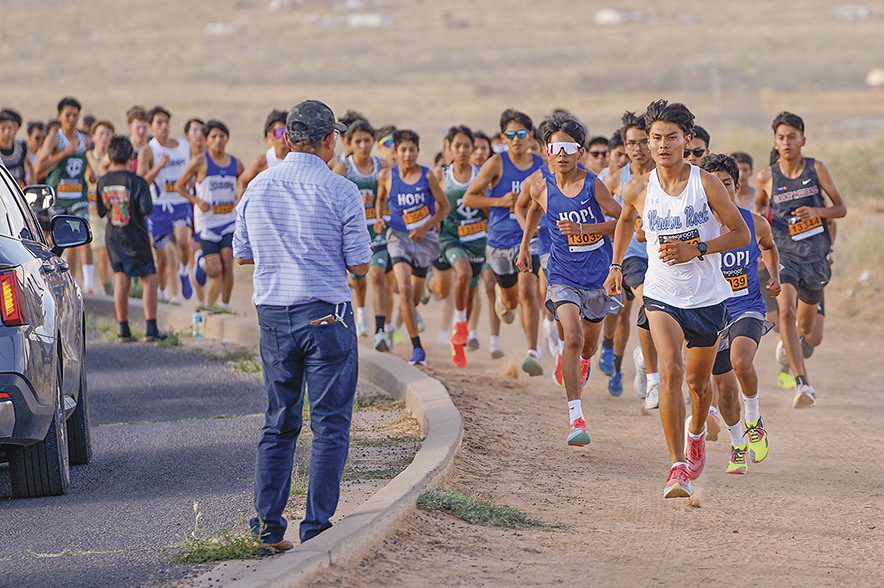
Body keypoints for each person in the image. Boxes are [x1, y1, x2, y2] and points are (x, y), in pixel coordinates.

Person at [234, 100, 368, 549]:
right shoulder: (341, 190)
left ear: (288, 138)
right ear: (329, 139)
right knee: (329, 423)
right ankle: (315, 527)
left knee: (279, 420)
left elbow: (242, 252)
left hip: (273, 314)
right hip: (325, 315)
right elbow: (362, 265)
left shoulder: (257, 186)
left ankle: (268, 525)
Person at [603, 99, 751, 499]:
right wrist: (616, 266)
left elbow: (741, 234)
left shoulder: (706, 184)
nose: (663, 145)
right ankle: (677, 468)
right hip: (661, 293)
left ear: (687, 140)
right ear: (647, 143)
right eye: (656, 138)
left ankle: (697, 433)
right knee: (669, 370)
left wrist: (697, 248)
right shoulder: (636, 187)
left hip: (706, 298)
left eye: (672, 137)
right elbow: (624, 223)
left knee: (698, 385)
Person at [519, 112, 621, 445]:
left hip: (597, 276)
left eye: (569, 148)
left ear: (580, 152)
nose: (561, 155)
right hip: (562, 273)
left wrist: (586, 229)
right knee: (573, 337)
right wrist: (525, 246)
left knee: (588, 344)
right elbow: (534, 207)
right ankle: (576, 418)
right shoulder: (540, 186)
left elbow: (624, 221)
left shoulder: (593, 185)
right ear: (547, 151)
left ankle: (584, 362)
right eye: (555, 148)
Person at [754, 111, 846, 409]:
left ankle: (796, 345)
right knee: (786, 313)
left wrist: (817, 213)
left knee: (810, 332)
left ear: (802, 140)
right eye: (781, 138)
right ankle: (802, 383)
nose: (786, 142)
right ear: (775, 142)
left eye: (792, 137)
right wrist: (759, 243)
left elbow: (840, 208)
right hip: (784, 255)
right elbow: (757, 211)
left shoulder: (816, 168)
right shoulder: (767, 176)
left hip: (816, 256)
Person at [701, 153, 780, 474]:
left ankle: (754, 419)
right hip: (710, 312)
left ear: (737, 185)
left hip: (747, 306)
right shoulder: (696, 228)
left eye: (727, 183)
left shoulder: (755, 222)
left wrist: (774, 275)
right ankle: (737, 445)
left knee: (741, 362)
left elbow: (769, 245)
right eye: (714, 184)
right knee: (726, 391)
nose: (721, 189)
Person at [463, 109, 544, 376]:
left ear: (531, 136)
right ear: (503, 138)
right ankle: (502, 297)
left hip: (529, 238)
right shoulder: (496, 163)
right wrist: (499, 201)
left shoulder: (541, 164)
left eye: (521, 134)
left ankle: (533, 351)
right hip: (499, 241)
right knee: (511, 301)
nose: (516, 139)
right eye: (511, 135)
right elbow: (469, 198)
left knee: (528, 291)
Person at [373, 130, 450, 366]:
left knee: (413, 298)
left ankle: (424, 287)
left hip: (423, 241)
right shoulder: (386, 175)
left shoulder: (427, 177)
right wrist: (379, 218)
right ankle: (417, 349)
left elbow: (443, 208)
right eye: (403, 150)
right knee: (404, 290)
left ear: (417, 151)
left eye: (412, 150)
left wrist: (425, 227)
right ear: (395, 152)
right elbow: (380, 198)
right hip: (397, 236)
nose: (408, 154)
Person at [601, 111, 659, 400]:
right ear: (624, 146)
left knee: (654, 312)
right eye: (630, 143)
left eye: (641, 142)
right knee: (645, 304)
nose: (637, 149)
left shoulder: (664, 176)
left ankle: (643, 359)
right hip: (631, 256)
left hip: (661, 253)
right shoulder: (615, 181)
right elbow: (614, 220)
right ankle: (650, 376)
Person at [331, 119, 395, 351]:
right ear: (350, 142)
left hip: (379, 232)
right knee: (357, 281)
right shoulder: (342, 169)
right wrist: (357, 201)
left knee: (378, 276)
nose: (364, 145)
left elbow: (395, 197)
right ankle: (361, 313)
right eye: (358, 141)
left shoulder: (384, 166)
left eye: (368, 140)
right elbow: (332, 203)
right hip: (354, 234)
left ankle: (380, 331)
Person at [96, 136, 165, 342]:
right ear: (131, 157)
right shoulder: (137, 181)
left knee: (120, 278)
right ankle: (151, 329)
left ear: (109, 156)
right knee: (149, 278)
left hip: (114, 236)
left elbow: (101, 211)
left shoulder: (103, 181)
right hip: (136, 236)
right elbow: (146, 209)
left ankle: (123, 330)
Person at [175, 120, 243, 310]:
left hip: (229, 220)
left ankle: (223, 306)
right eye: (213, 137)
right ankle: (201, 262)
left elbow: (245, 182)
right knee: (216, 271)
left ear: (227, 138)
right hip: (207, 223)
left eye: (222, 136)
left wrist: (240, 198)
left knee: (228, 263)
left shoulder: (236, 164)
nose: (218, 141)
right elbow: (180, 186)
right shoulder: (199, 162)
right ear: (206, 140)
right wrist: (196, 201)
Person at [432, 125, 486, 368]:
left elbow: (489, 209)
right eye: (458, 146)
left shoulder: (483, 173)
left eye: (467, 146)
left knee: (470, 293)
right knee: (462, 274)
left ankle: (459, 340)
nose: (463, 150)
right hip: (450, 238)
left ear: (473, 148)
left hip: (477, 240)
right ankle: (461, 325)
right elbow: (430, 202)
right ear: (449, 149)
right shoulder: (441, 176)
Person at [34, 97, 95, 293]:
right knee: (59, 240)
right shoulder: (54, 138)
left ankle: (88, 283)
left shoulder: (84, 139)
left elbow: (89, 162)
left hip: (78, 196)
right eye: (67, 115)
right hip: (58, 197)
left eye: (75, 115)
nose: (71, 119)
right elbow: (38, 169)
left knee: (82, 231)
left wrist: (92, 173)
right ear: (59, 116)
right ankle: (56, 277)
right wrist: (62, 154)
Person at [137, 106, 193, 303]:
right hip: (158, 207)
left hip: (180, 203)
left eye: (166, 122)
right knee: (162, 257)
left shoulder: (184, 146)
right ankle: (162, 293)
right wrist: (159, 166)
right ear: (151, 126)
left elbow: (192, 169)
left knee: (184, 240)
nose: (164, 127)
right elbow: (142, 182)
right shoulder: (148, 150)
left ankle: (185, 272)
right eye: (159, 123)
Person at [85, 120, 116, 295]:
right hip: (93, 214)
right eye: (102, 134)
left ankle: (113, 289)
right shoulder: (86, 158)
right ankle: (108, 291)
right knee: (102, 253)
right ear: (93, 137)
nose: (105, 138)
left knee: (113, 255)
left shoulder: (114, 159)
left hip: (113, 214)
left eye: (109, 134)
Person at [238, 110, 291, 194]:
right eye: (279, 132)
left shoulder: (296, 157)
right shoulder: (262, 161)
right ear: (270, 135)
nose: (283, 136)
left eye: (287, 132)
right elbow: (242, 181)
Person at [0, 109, 31, 189]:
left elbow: (29, 167)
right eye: (3, 128)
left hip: (19, 190)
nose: (7, 132)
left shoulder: (22, 146)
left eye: (9, 128)